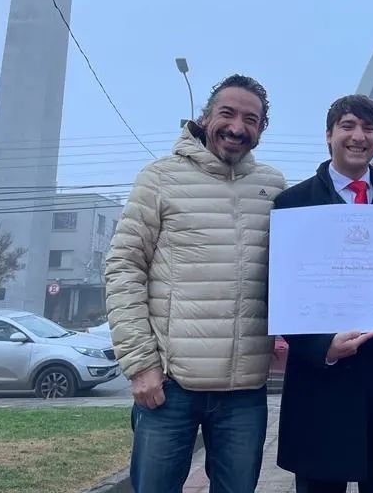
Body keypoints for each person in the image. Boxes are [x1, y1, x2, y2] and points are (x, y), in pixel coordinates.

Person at [104, 74, 287, 493]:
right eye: (227, 113)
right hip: (169, 389)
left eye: (251, 119)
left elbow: (307, 256)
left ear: (261, 130)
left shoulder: (273, 187)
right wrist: (140, 365)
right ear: (205, 117)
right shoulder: (159, 178)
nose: (237, 127)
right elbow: (123, 267)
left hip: (244, 394)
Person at [274, 94, 373, 493]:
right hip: (322, 381)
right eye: (347, 126)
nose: (358, 136)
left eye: (368, 128)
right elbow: (279, 291)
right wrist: (322, 347)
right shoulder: (293, 204)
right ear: (329, 135)